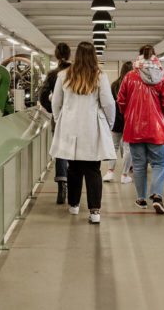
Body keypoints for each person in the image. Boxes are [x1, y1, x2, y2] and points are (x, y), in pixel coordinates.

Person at [50, 42, 116, 224]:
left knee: (74, 168)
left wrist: (60, 120)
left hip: (70, 127)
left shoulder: (63, 75)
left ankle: (74, 205)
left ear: (76, 55)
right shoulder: (100, 76)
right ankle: (95, 211)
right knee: (93, 169)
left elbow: (56, 103)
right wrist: (108, 124)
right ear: (94, 56)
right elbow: (109, 104)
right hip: (92, 127)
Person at [117, 45, 164, 214]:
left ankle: (141, 199)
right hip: (157, 129)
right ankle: (157, 196)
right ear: (154, 57)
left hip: (134, 128)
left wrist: (128, 115)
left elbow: (121, 100)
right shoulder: (163, 76)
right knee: (158, 163)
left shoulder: (130, 76)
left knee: (140, 165)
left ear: (139, 57)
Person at [38, 42, 71, 204]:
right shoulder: (75, 72)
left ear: (56, 56)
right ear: (70, 55)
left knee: (60, 152)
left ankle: (61, 185)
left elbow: (43, 96)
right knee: (74, 152)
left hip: (58, 119)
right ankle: (73, 183)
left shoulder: (52, 74)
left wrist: (52, 110)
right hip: (74, 119)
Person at [103, 61, 133, 184]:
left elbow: (110, 103)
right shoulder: (134, 84)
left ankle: (110, 172)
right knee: (127, 148)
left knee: (113, 147)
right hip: (129, 120)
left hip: (116, 119)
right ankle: (124, 175)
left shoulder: (114, 85)